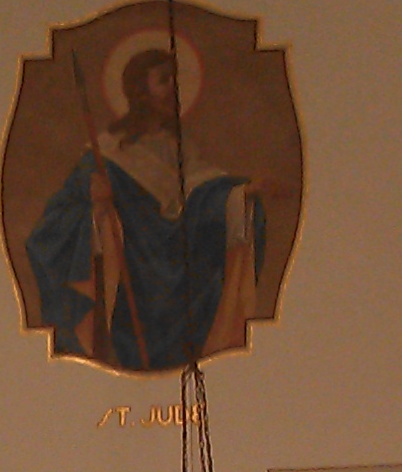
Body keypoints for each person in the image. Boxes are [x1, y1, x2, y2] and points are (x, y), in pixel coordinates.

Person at [24, 44, 266, 371]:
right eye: (163, 80)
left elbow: (202, 196)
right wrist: (94, 209)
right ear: (140, 91)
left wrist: (240, 195)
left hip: (180, 279)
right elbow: (52, 226)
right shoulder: (105, 154)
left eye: (175, 80)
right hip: (132, 287)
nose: (173, 89)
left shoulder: (179, 148)